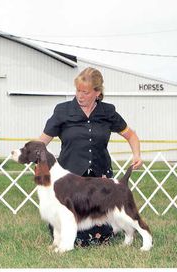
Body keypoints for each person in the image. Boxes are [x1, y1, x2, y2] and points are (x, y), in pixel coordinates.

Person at [39, 67, 142, 247]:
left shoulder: (108, 112)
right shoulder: (63, 111)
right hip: (70, 183)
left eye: (85, 92)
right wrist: (35, 158)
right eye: (78, 90)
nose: (80, 95)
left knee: (99, 237)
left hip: (100, 180)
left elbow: (131, 135)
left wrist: (137, 154)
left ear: (97, 93)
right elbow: (42, 142)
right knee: (75, 237)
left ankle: (110, 228)